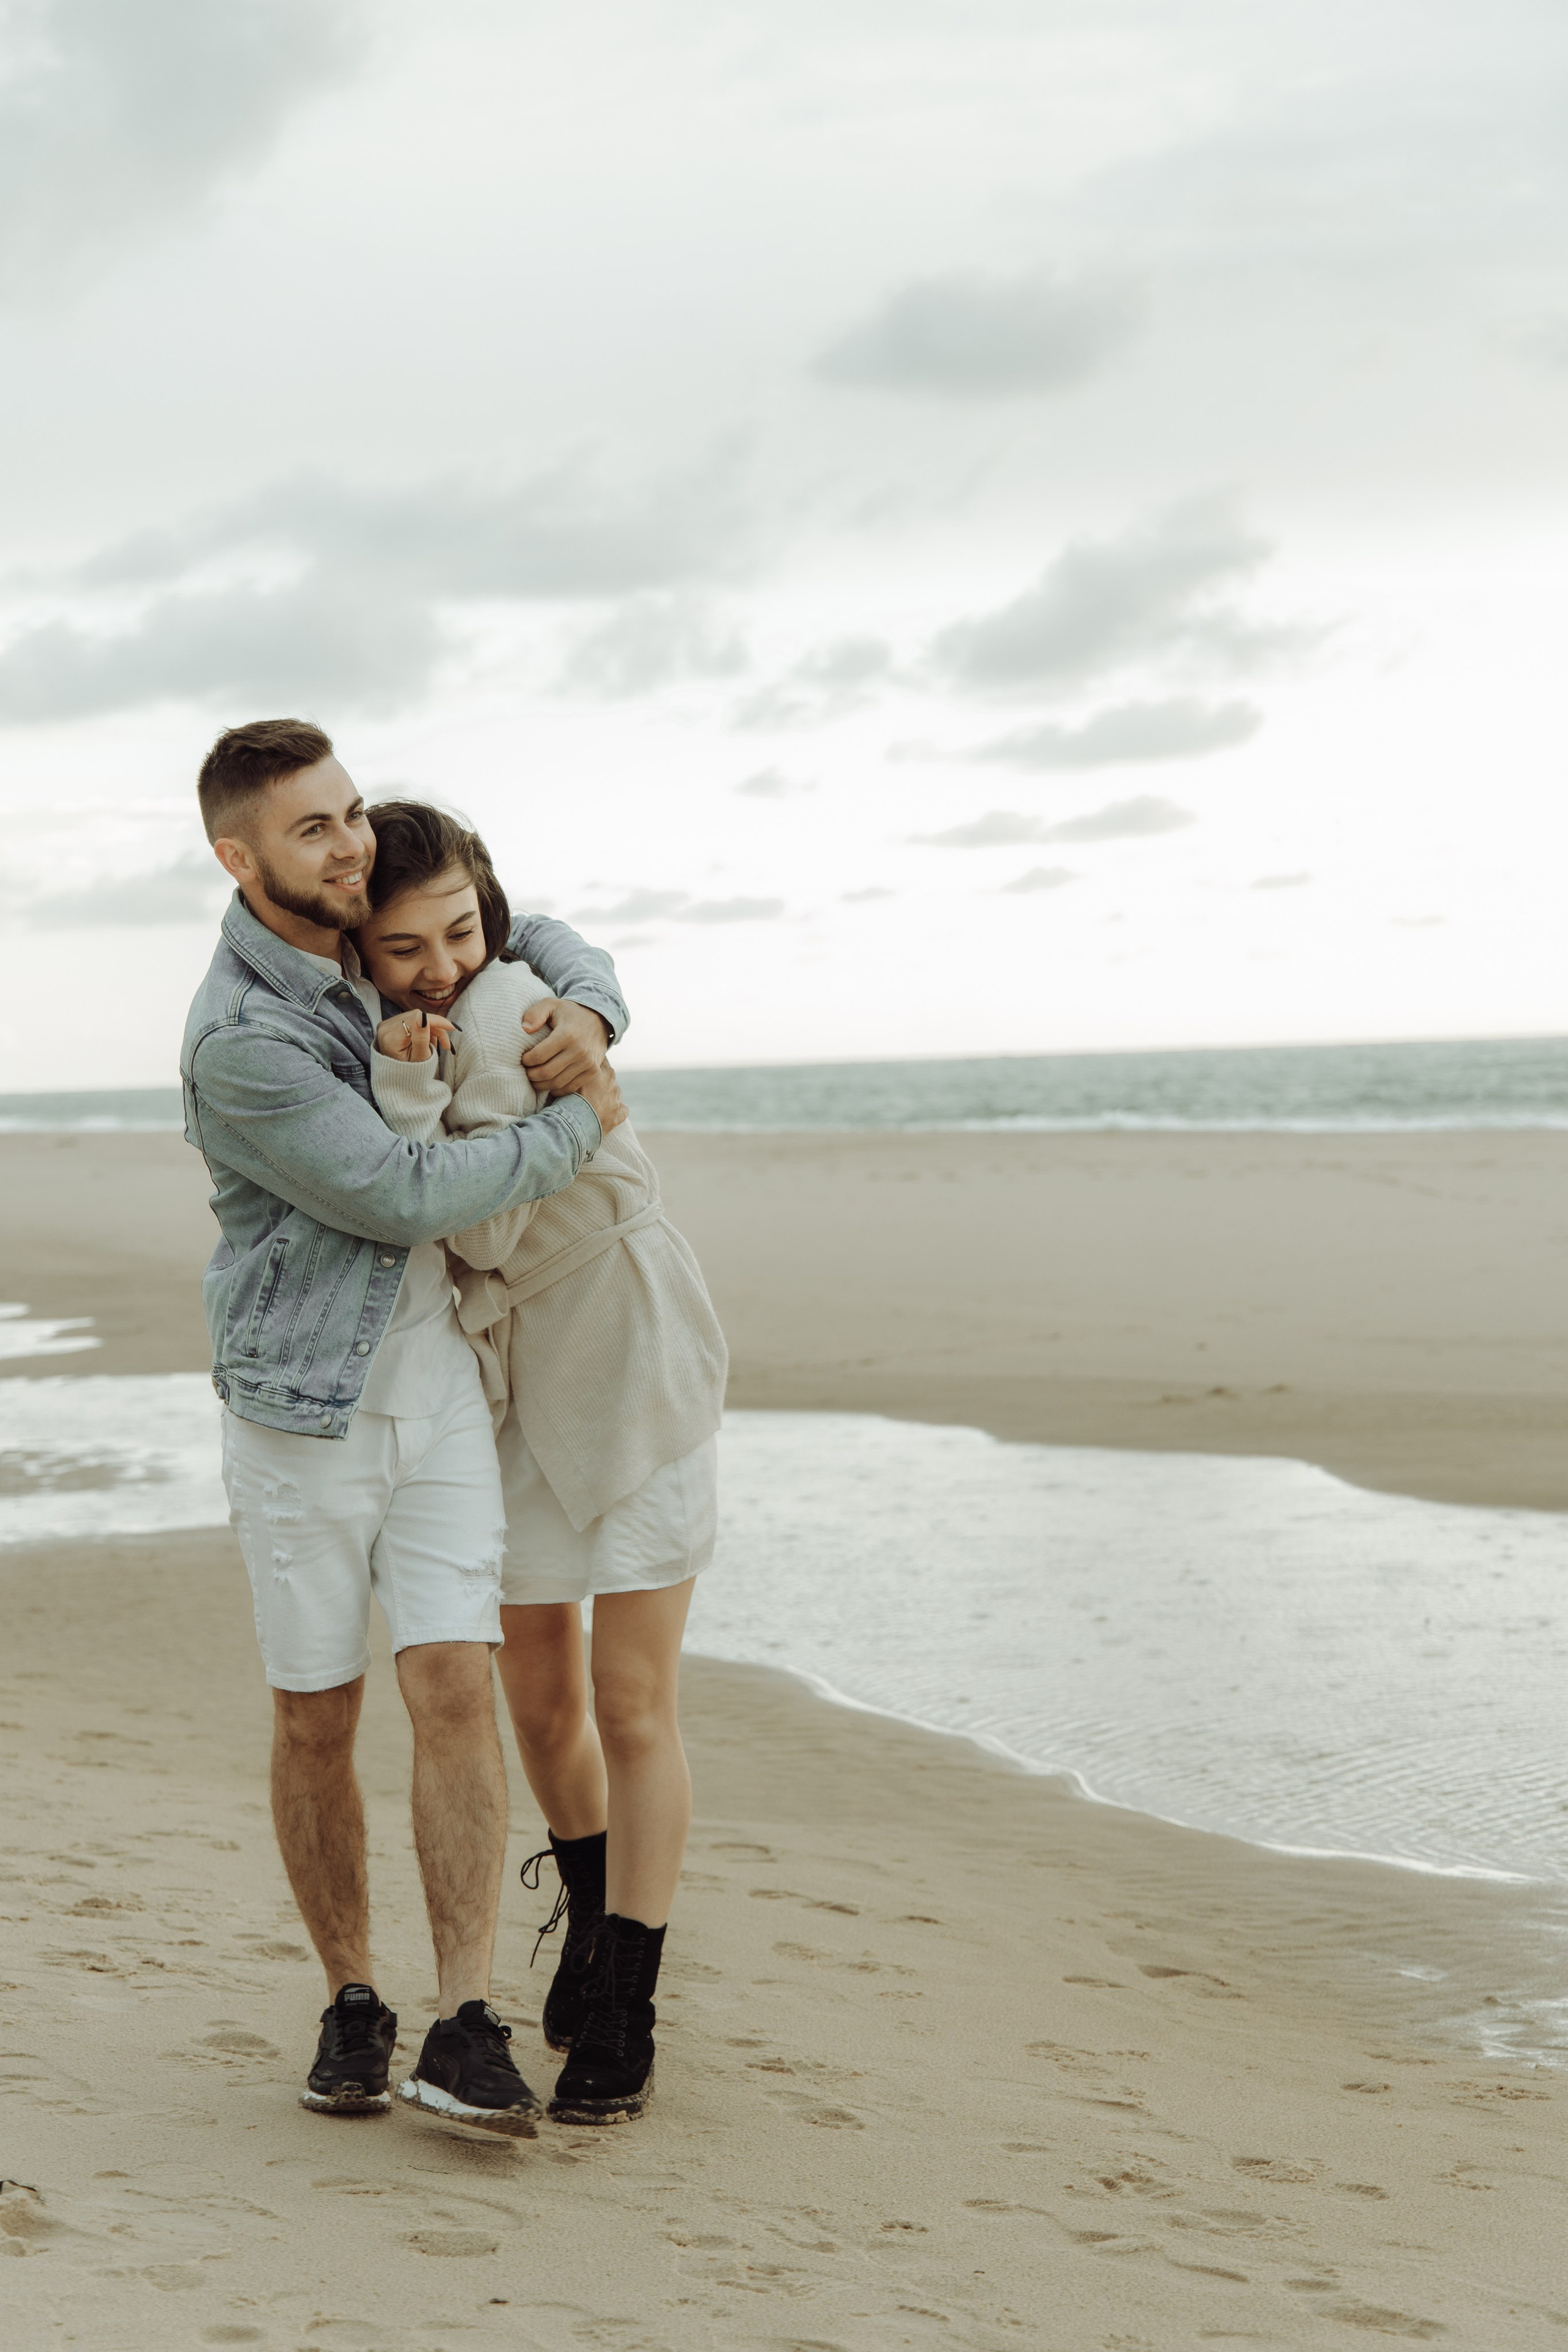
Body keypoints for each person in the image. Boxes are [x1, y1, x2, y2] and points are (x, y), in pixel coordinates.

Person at [181, 717, 628, 2137]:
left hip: (430, 1387)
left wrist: (591, 1013)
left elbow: (527, 926)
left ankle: (467, 2019)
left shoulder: (372, 920)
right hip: (300, 1415)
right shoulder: (239, 1038)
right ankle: (352, 2001)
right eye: (311, 829)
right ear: (236, 856)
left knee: (452, 1688)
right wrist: (582, 1123)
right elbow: (397, 1195)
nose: (350, 843)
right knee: (319, 1716)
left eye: (353, 811)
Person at [354, 799, 728, 2125]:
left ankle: (623, 1997)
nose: (438, 963)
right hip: (501, 1387)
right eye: (401, 947)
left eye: (457, 928)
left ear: (488, 909)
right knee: (541, 1706)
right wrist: (404, 1079)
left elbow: (486, 1227)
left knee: (632, 1703)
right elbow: (425, 1206)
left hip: (625, 1351)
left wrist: (587, 1018)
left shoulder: (533, 1011)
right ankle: (583, 1917)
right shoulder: (381, 1036)